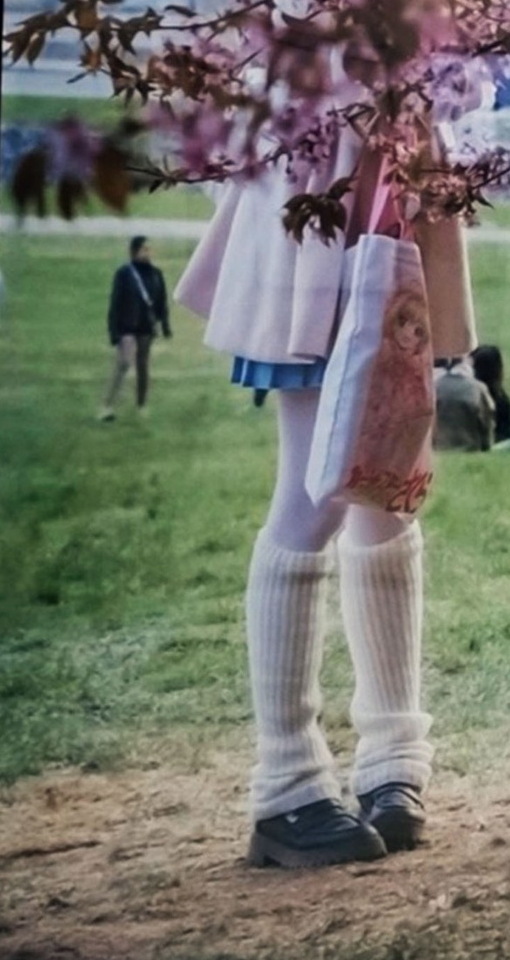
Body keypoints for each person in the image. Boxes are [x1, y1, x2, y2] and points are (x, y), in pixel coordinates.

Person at [178, 166, 463, 875]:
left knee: (386, 486)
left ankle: (393, 756)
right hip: (312, 191)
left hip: (391, 180)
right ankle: (286, 782)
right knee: (313, 496)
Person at [98, 233, 169, 418]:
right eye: (144, 249)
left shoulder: (156, 274)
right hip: (127, 326)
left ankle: (141, 405)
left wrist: (165, 325)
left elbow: (161, 302)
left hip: (146, 326)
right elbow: (115, 303)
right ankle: (107, 405)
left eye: (149, 249)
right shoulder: (123, 274)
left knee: (143, 365)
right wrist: (114, 332)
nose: (148, 252)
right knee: (123, 363)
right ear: (134, 251)